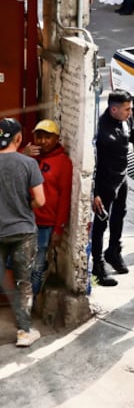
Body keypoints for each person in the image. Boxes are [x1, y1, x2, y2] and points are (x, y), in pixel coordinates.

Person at [92, 90, 134, 287]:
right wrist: (95, 192)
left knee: (119, 214)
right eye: (127, 109)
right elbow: (93, 163)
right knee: (100, 223)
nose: (130, 112)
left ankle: (114, 250)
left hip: (121, 177)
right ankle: (98, 264)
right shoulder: (101, 129)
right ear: (114, 109)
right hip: (104, 181)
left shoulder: (126, 120)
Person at [0, 118, 45, 347]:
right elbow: (40, 200)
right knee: (23, 282)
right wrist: (25, 204)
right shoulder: (29, 164)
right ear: (18, 138)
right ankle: (24, 332)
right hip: (23, 231)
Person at [21, 119, 72, 295]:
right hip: (23, 220)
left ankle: (30, 302)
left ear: (57, 138)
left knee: (37, 266)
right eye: (39, 137)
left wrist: (58, 229)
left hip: (44, 224)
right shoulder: (29, 157)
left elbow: (65, 197)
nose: (42, 141)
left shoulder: (63, 162)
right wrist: (22, 156)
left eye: (47, 137)